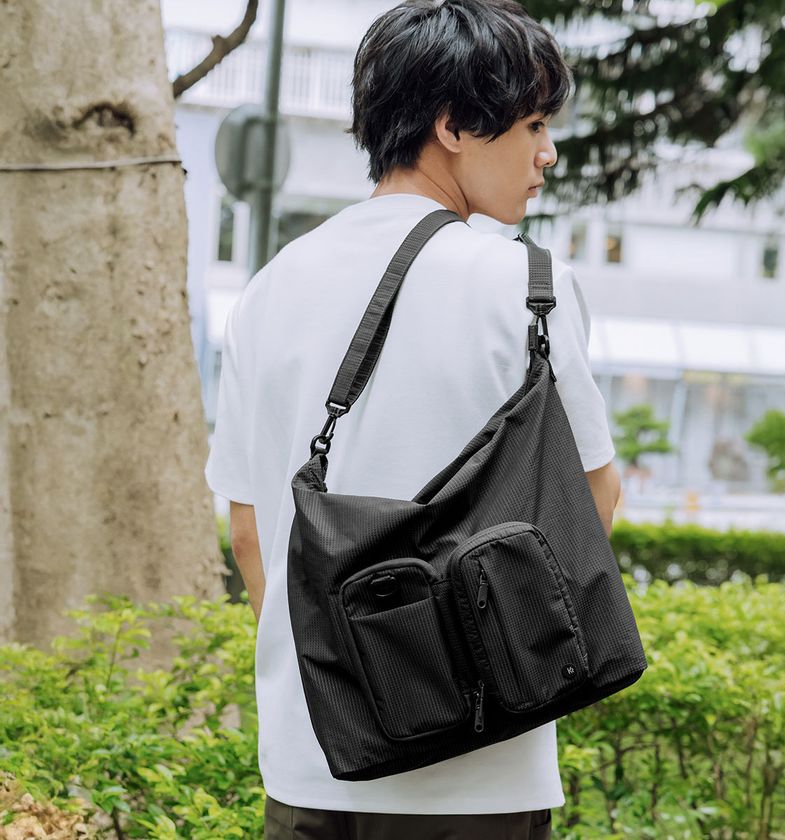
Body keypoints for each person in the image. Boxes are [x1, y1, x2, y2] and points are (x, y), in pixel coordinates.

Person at [205, 0, 622, 837]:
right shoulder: (528, 287)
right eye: (534, 123)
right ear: (453, 126)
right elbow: (591, 504)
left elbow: (251, 534)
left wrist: (360, 677)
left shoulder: (271, 286)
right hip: (483, 775)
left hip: (314, 763)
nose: (547, 153)